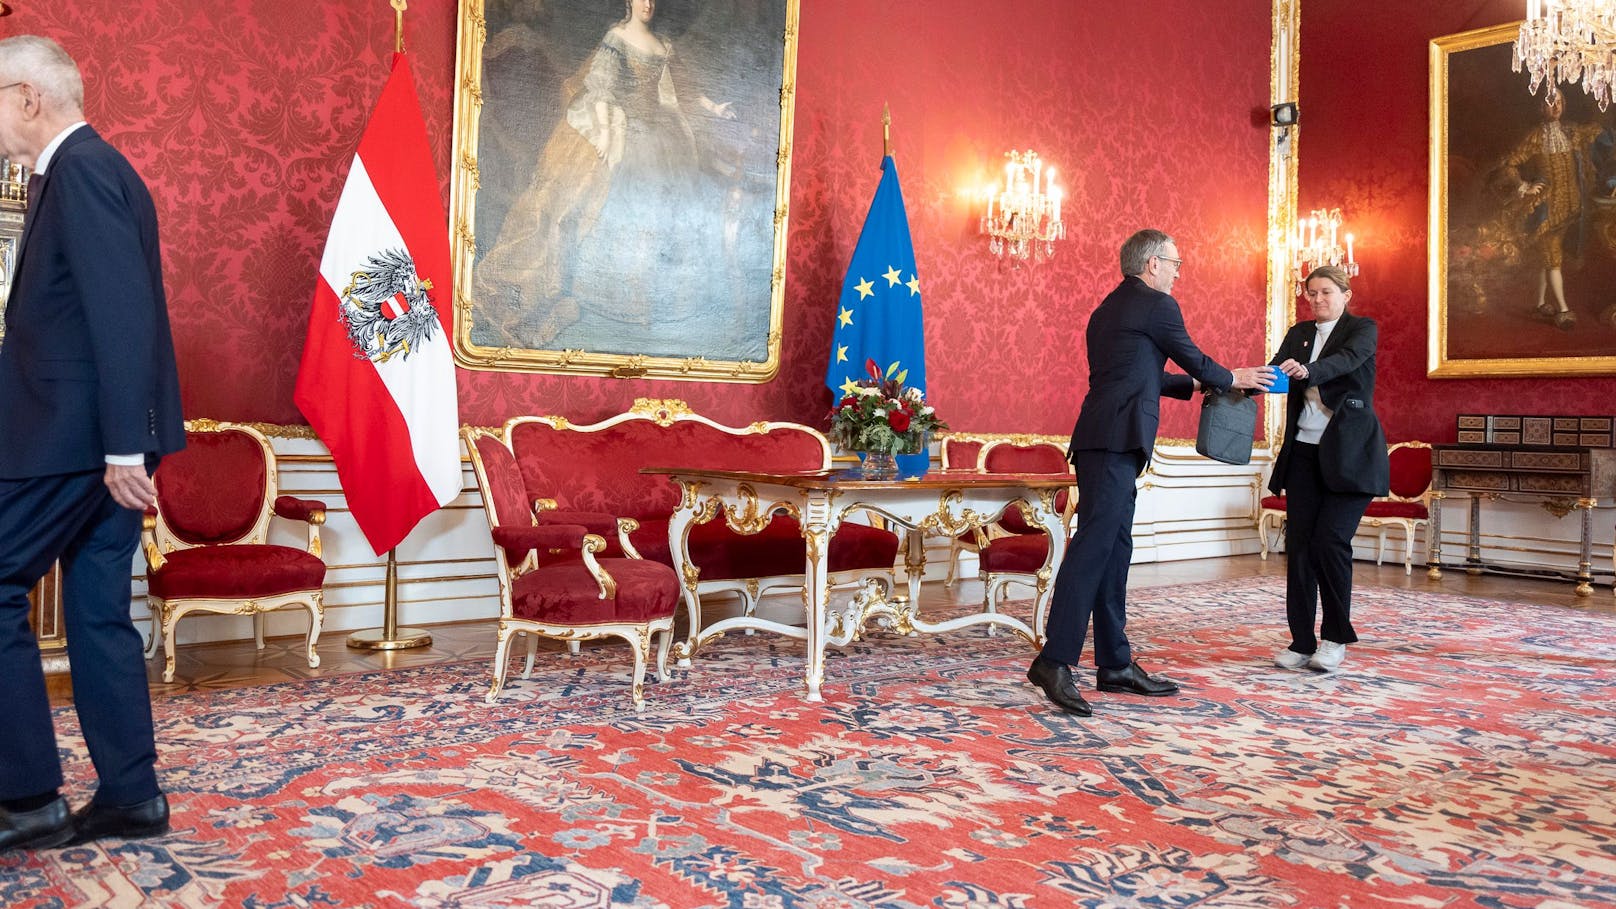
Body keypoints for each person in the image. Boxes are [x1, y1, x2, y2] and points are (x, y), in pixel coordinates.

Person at [0, 35, 183, 852]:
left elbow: (122, 313)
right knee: (99, 611)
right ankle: (131, 795)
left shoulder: (80, 171)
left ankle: (28, 797)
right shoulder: (90, 171)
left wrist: (119, 450)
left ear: (27, 98)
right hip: (94, 441)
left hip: (76, 444)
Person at [1027, 229, 1271, 716]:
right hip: (1117, 439)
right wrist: (1231, 378)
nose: (1180, 271)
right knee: (1095, 547)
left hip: (1102, 437)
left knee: (1116, 548)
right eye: (1176, 262)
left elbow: (1142, 374)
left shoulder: (1107, 310)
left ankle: (1115, 663)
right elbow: (1190, 353)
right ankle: (1054, 660)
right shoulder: (1157, 306)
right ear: (1153, 262)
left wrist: (1199, 384)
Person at [473, 0, 736, 348]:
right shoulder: (617, 36)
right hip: (620, 129)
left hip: (658, 137)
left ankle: (649, 297)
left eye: (653, 0)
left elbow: (684, 90)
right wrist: (608, 134)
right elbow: (600, 86)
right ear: (629, 1)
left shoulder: (663, 45)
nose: (648, 5)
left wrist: (716, 107)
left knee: (659, 212)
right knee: (601, 202)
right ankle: (601, 291)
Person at [1267, 265, 1388, 674]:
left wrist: (1309, 371)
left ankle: (1335, 639)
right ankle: (1301, 640)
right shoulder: (1299, 334)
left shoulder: (1362, 329)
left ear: (1345, 294)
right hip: (1303, 453)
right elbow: (1274, 370)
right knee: (1300, 548)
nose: (1317, 300)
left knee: (1330, 543)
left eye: (1326, 293)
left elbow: (1346, 361)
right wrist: (1238, 382)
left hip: (1350, 455)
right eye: (1311, 293)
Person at [1502, 91, 1603, 331]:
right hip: (1545, 210)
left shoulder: (1571, 132)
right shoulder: (1535, 138)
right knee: (1552, 257)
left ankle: (1539, 303)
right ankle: (1564, 310)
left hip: (1571, 206)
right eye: (1550, 103)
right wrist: (1524, 186)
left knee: (1545, 258)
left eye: (1559, 102)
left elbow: (1596, 134)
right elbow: (1509, 165)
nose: (1555, 107)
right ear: (1541, 108)